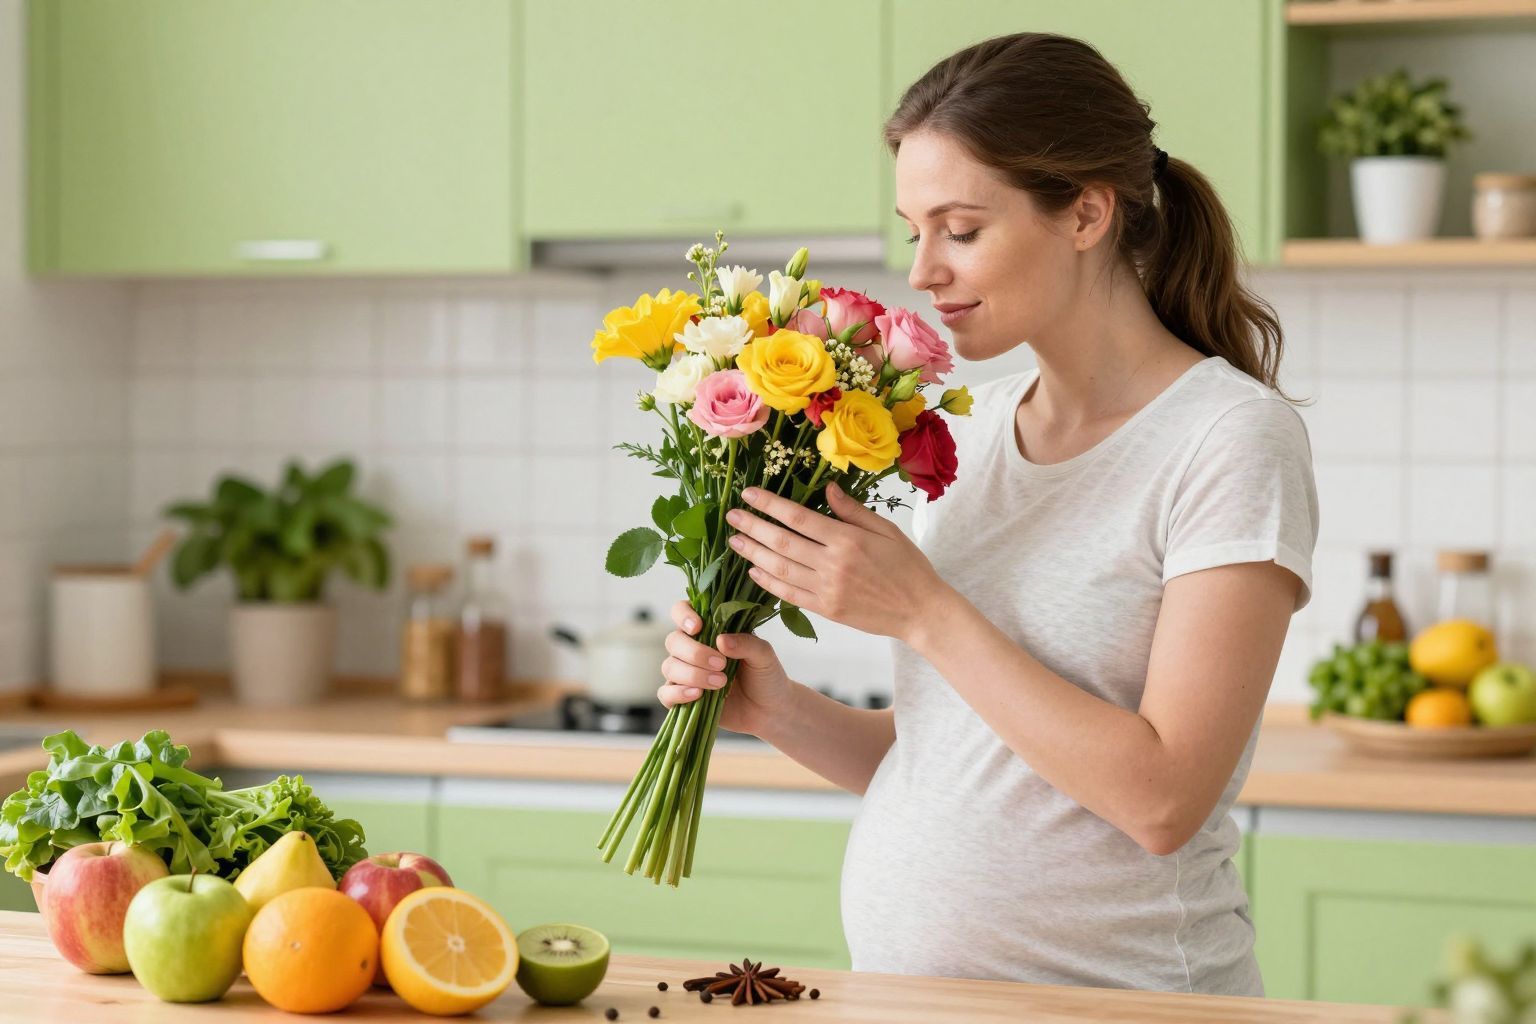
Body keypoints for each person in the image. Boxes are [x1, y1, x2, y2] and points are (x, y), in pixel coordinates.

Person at [656, 32, 1318, 997]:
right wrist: (782, 712)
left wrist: (923, 609)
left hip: (1123, 1004)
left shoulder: (1227, 439)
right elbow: (957, 755)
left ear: (1087, 213)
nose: (922, 270)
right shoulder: (975, 429)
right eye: (913, 229)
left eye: (959, 230)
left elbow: (1163, 798)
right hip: (916, 997)